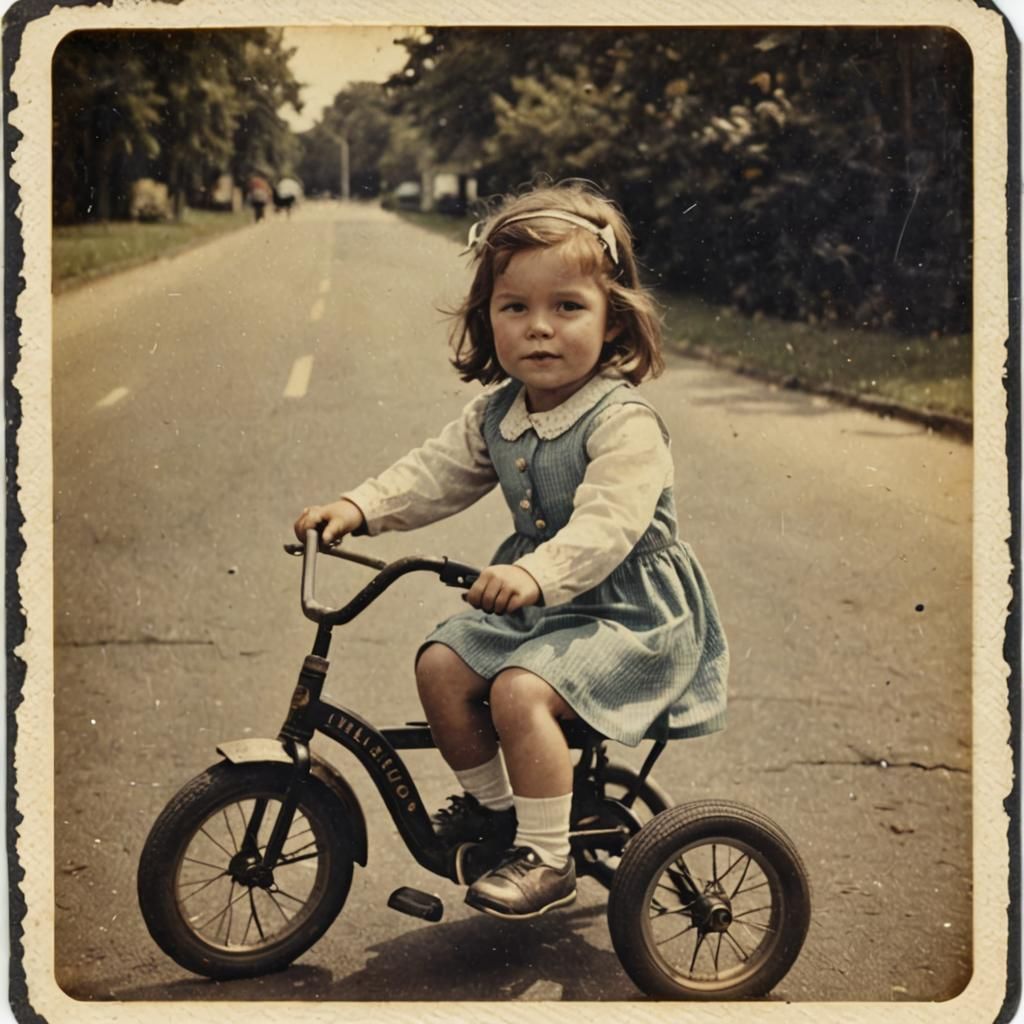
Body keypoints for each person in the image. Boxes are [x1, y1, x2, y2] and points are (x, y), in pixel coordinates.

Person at [294, 181, 729, 920]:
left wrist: (534, 572)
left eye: (568, 307)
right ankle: (497, 813)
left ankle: (548, 856)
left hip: (627, 616)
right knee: (440, 664)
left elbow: (606, 527)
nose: (539, 329)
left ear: (612, 320)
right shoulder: (497, 413)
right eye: (514, 308)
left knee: (516, 692)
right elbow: (432, 475)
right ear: (486, 317)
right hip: (546, 611)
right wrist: (359, 508)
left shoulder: (623, 423)